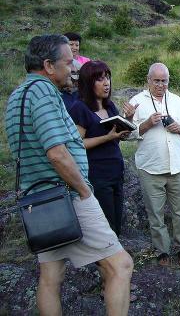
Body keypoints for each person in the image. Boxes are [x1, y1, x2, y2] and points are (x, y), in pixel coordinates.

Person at [4, 34, 133, 315]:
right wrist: (85, 193)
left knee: (51, 277)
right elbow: (56, 153)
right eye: (67, 62)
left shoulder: (17, 96)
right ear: (49, 66)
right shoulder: (44, 93)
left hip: (39, 202)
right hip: (68, 196)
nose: (73, 69)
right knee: (120, 265)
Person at [125, 63, 180, 266]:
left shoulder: (177, 101)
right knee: (155, 213)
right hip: (150, 167)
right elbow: (126, 133)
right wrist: (146, 124)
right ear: (148, 80)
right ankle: (162, 251)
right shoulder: (137, 102)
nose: (160, 84)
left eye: (164, 80)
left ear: (168, 81)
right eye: (156, 80)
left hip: (177, 166)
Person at [69, 61, 129, 236]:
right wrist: (107, 137)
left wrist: (125, 126)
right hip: (97, 175)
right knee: (105, 223)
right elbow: (77, 145)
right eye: (100, 79)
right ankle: (107, 261)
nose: (106, 83)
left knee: (117, 221)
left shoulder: (109, 106)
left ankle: (115, 260)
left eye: (108, 78)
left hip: (116, 172)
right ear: (88, 82)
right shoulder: (79, 108)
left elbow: (114, 138)